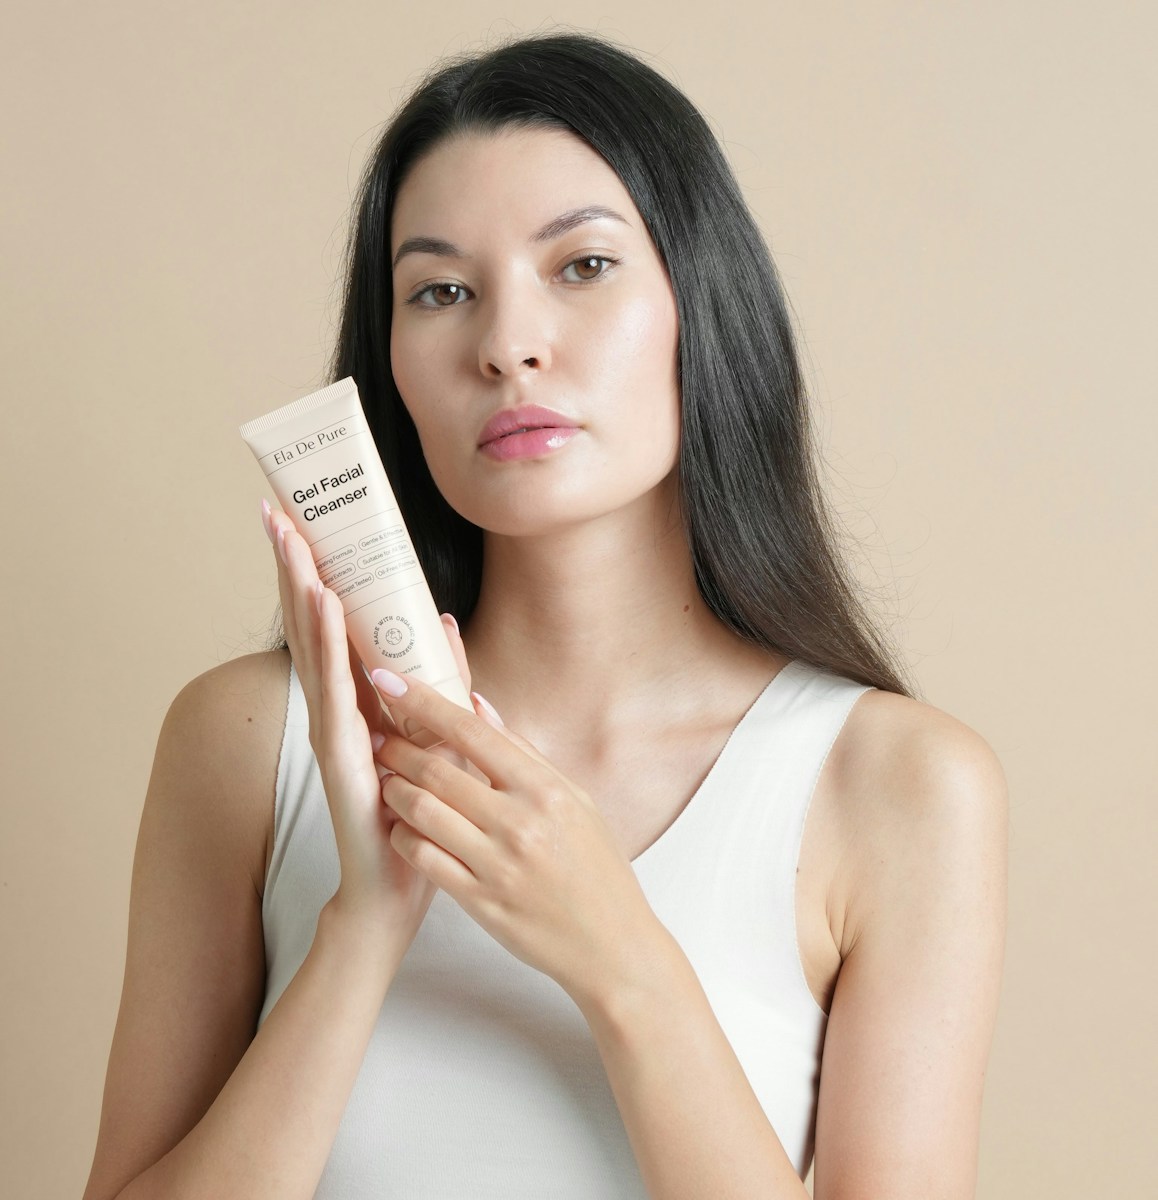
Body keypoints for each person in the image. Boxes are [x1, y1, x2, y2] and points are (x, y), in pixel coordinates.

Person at [83, 32, 1007, 1200]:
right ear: (394, 368)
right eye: (442, 291)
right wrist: (364, 926)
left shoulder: (898, 786)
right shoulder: (247, 744)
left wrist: (620, 954)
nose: (507, 344)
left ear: (699, 301)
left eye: (581, 266)